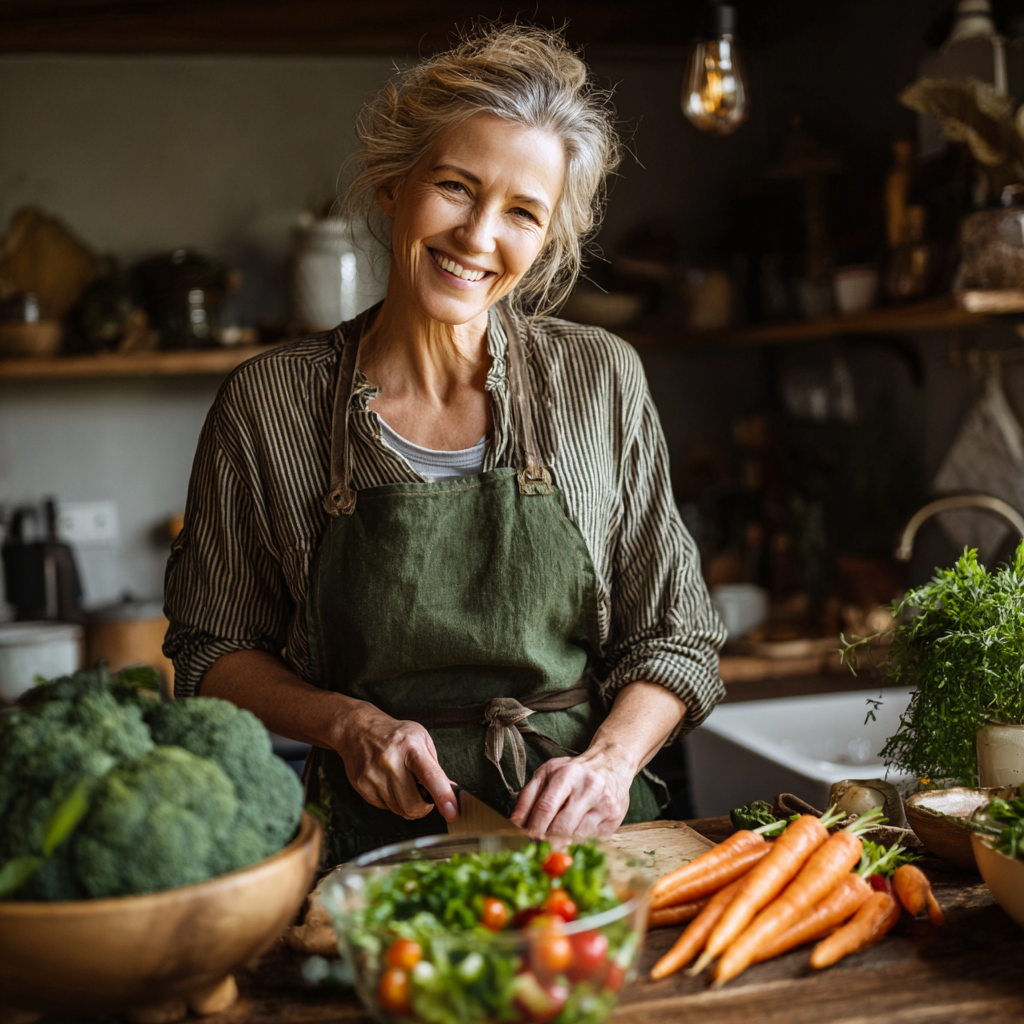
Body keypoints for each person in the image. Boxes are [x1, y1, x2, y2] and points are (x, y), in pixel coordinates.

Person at [164, 23, 725, 862]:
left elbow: (676, 634)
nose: (477, 236)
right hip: (372, 847)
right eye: (456, 187)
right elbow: (212, 647)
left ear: (543, 245)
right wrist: (348, 725)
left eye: (522, 213)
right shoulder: (268, 404)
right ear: (395, 182)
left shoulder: (599, 380)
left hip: (595, 842)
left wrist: (609, 765)